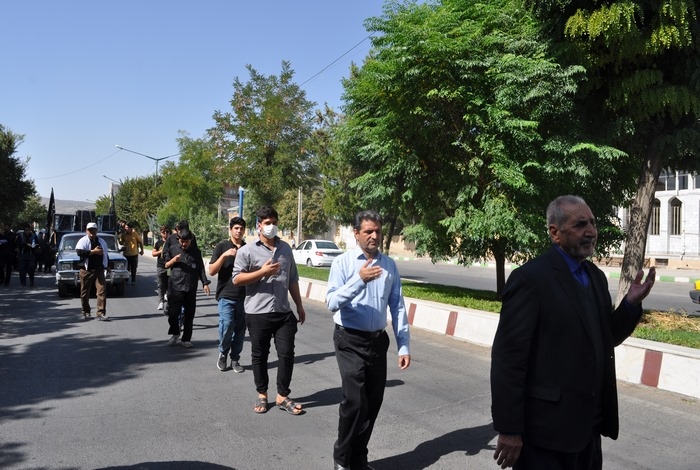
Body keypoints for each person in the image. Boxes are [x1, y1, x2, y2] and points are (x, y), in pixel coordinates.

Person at [490, 195, 656, 470]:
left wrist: (630, 304)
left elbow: (605, 338)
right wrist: (509, 429)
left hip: (588, 431)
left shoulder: (595, 277)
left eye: (592, 223)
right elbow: (508, 360)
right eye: (580, 225)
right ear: (555, 233)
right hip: (544, 436)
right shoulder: (530, 279)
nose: (591, 231)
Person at [326, 210, 411, 470]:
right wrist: (359, 281)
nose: (374, 236)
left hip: (377, 342)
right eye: (368, 231)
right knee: (355, 402)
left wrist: (403, 345)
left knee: (372, 404)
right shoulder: (343, 263)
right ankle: (342, 460)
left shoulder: (389, 265)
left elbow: (397, 306)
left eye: (378, 231)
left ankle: (359, 459)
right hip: (349, 340)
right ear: (356, 234)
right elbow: (332, 302)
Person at [232, 206, 306, 415]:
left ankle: (282, 395)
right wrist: (262, 272)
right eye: (267, 223)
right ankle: (262, 394)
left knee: (286, 353)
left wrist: (299, 305)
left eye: (274, 222)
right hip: (258, 312)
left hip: (283, 312)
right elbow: (237, 279)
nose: (271, 226)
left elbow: (292, 279)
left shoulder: (285, 249)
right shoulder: (247, 251)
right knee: (260, 355)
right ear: (259, 225)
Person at [209, 216, 247, 372]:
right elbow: (212, 271)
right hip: (226, 295)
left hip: (244, 296)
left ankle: (235, 359)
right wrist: (224, 255)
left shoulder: (247, 249)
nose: (239, 231)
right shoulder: (221, 246)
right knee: (227, 324)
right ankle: (223, 353)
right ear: (230, 230)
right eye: (236, 228)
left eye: (241, 228)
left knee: (240, 331)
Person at [163, 228, 210, 348]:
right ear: (178, 240)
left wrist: (205, 283)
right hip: (175, 286)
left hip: (190, 286)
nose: (184, 244)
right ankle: (175, 332)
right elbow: (166, 265)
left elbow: (200, 268)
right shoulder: (173, 249)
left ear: (191, 240)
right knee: (172, 313)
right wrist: (174, 260)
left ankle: (186, 339)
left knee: (189, 315)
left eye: (186, 242)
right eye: (182, 241)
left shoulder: (196, 252)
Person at [75, 222, 110, 321]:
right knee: (85, 292)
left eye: (94, 230)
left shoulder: (101, 241)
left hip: (99, 269)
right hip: (87, 270)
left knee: (102, 291)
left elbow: (105, 254)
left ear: (96, 231)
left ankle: (101, 313)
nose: (92, 232)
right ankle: (86, 311)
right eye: (90, 230)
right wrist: (93, 252)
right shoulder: (83, 241)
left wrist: (108, 266)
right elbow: (79, 252)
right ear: (86, 231)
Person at [151, 226, 171, 311]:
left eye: (167, 232)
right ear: (161, 233)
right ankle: (161, 302)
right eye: (163, 232)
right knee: (160, 285)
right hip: (160, 266)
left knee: (170, 284)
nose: (165, 233)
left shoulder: (172, 242)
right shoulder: (158, 243)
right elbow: (153, 253)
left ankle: (169, 302)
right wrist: (161, 251)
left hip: (169, 267)